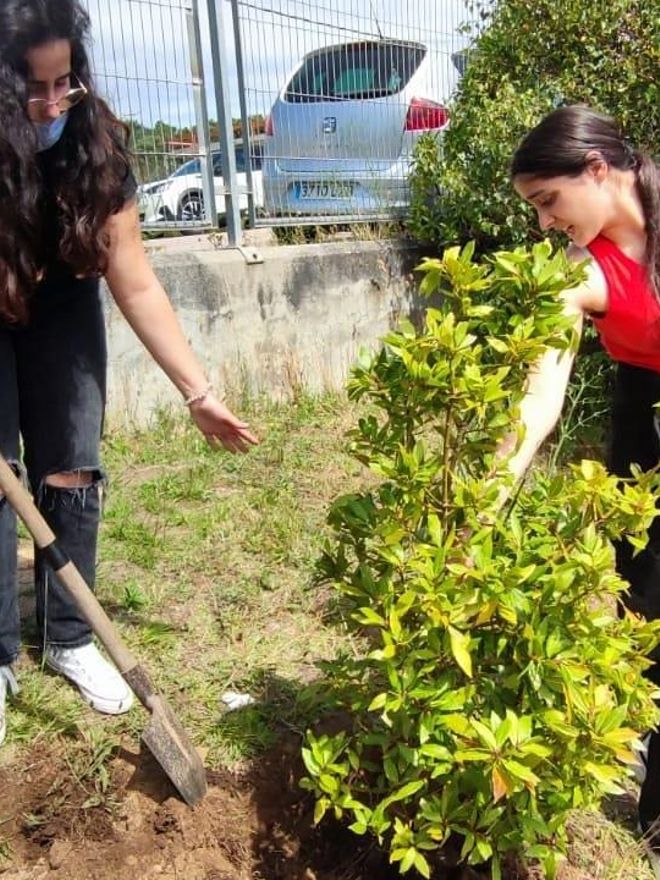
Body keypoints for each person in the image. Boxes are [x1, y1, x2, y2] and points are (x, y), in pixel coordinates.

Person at [0, 0, 258, 744]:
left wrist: (196, 391)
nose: (52, 104)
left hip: (63, 303)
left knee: (73, 469)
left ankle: (71, 638)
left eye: (64, 83)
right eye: (33, 89)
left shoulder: (92, 146)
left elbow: (135, 279)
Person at [504, 105, 660, 857]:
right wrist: (492, 492)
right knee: (649, 614)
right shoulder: (582, 270)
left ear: (598, 170)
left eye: (547, 202)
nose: (544, 224)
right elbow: (542, 393)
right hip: (644, 424)